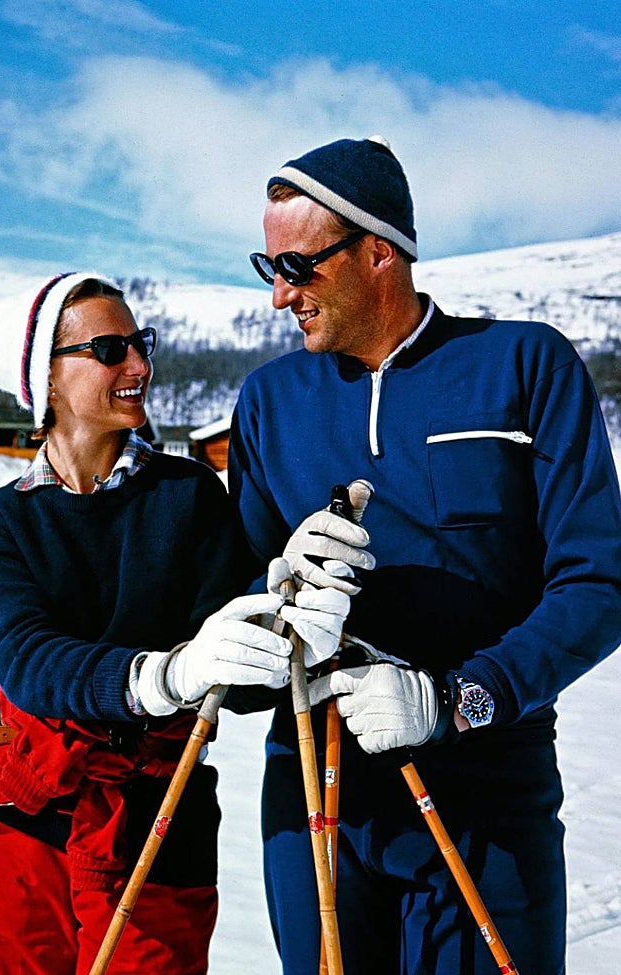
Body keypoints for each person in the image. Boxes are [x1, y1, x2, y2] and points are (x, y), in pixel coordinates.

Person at [228, 136, 621, 974]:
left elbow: (599, 582)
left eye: (297, 266)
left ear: (379, 251)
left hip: (487, 794)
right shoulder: (267, 401)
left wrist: (456, 700)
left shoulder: (523, 365)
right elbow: (236, 616)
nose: (279, 294)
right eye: (268, 266)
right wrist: (276, 595)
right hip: (316, 799)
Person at [0, 272, 350, 975]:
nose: (139, 366)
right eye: (109, 349)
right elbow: (27, 660)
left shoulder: (188, 495)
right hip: (23, 809)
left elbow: (235, 680)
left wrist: (290, 632)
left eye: (139, 344)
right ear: (45, 376)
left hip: (158, 813)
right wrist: (162, 675)